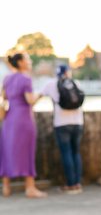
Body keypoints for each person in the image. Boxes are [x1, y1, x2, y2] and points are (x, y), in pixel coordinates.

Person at [0, 53, 48, 198]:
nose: (30, 61)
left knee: (7, 151)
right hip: (23, 119)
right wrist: (41, 94)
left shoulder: (7, 78)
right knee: (27, 151)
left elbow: (3, 98)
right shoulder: (26, 79)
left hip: (9, 119)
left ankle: (6, 187)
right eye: (27, 59)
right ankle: (30, 187)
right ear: (20, 62)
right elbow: (30, 100)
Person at [39, 64, 84, 194]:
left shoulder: (51, 84)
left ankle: (70, 185)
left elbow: (35, 97)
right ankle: (77, 184)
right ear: (68, 72)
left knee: (66, 153)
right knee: (76, 152)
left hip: (61, 123)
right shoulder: (76, 83)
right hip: (78, 122)